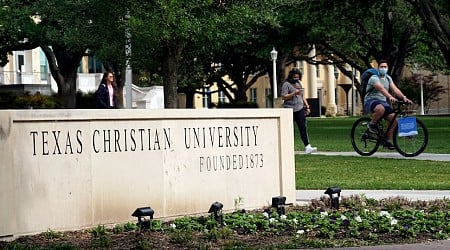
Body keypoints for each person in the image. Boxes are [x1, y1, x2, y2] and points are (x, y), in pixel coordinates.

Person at [364, 59, 411, 149]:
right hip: (371, 100)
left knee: (394, 120)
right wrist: (389, 97)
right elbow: (381, 88)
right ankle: (372, 124)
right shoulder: (374, 78)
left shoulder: (388, 78)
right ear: (378, 68)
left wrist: (404, 97)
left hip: (382, 102)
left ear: (388, 68)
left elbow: (395, 89)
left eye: (385, 67)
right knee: (380, 109)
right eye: (381, 67)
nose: (383, 68)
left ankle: (387, 141)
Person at [281, 68, 317, 154]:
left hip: (300, 108)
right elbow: (284, 97)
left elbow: (302, 96)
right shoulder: (286, 84)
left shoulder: (299, 83)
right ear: (291, 76)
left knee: (303, 128)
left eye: (297, 77)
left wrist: (307, 106)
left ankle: (308, 147)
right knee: (288, 129)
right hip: (289, 110)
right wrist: (293, 94)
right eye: (294, 77)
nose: (296, 79)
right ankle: (286, 148)